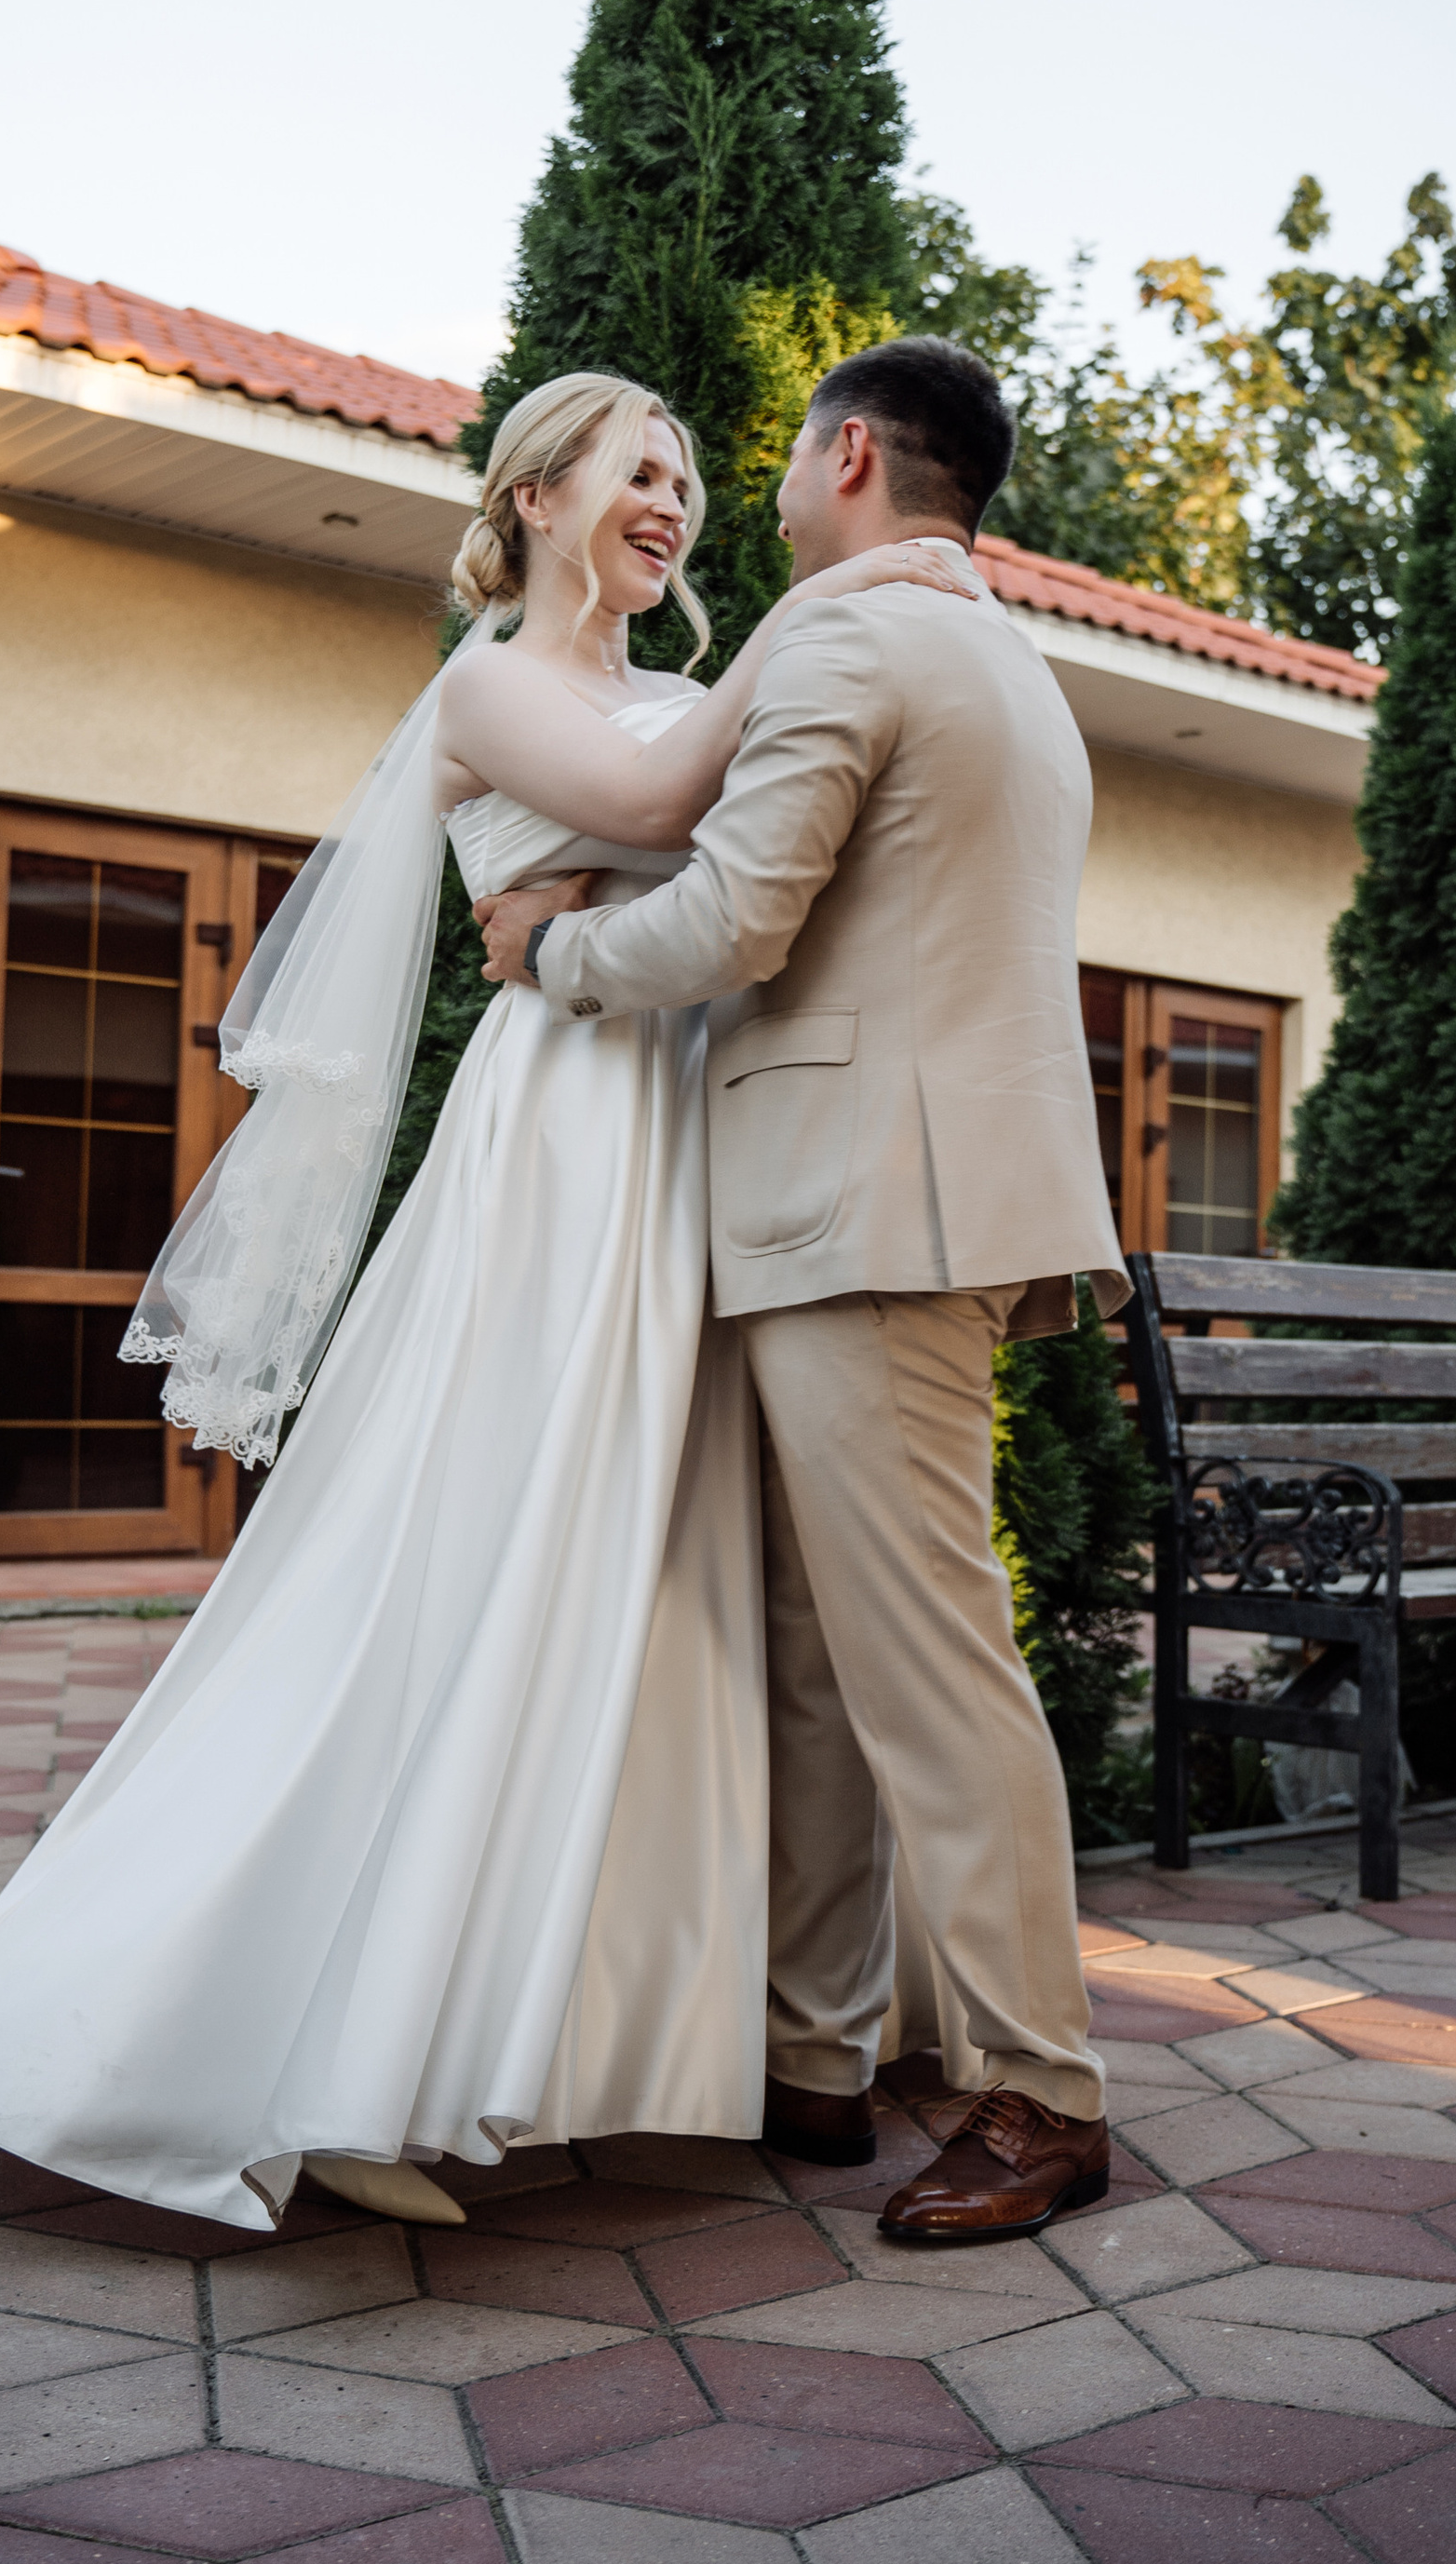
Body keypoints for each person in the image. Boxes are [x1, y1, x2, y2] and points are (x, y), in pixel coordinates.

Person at [0, 372, 972, 2232]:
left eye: (697, 477)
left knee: (653, 1590)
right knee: (479, 1556)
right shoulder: (495, 688)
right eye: (642, 471)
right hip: (558, 1152)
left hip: (691, 1155)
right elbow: (656, 803)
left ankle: (582, 2036)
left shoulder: (674, 697)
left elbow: (742, 869)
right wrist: (845, 597)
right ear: (539, 496)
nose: (678, 502)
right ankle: (320, 2053)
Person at [479, 336, 1127, 2245]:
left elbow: (734, 918)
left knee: (922, 1665)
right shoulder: (1000, 656)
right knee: (827, 1665)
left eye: (776, 453)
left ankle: (1037, 2091)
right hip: (887, 1209)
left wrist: (550, 948)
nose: (754, 487)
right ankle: (813, 2057)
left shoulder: (852, 640)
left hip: (863, 1214)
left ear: (850, 456)